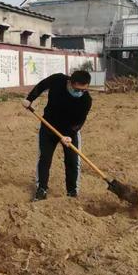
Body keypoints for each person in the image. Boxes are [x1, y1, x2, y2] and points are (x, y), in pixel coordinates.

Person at [22, 70, 92, 201]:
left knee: (72, 161)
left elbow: (80, 121)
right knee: (45, 158)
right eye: (77, 89)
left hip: (70, 131)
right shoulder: (58, 80)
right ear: (71, 83)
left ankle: (72, 192)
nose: (80, 93)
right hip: (48, 126)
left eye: (83, 90)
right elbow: (42, 85)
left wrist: (70, 135)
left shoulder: (86, 100)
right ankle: (41, 189)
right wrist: (29, 99)